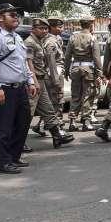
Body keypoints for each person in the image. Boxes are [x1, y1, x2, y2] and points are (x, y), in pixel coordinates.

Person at [0, 4, 37, 173]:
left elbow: (22, 63)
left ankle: (14, 157)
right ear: (0, 17)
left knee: (23, 122)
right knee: (3, 127)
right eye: (12, 14)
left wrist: (30, 81)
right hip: (4, 89)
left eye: (17, 15)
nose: (16, 17)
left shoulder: (17, 37)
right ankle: (4, 162)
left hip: (19, 88)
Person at [24, 18, 75, 148]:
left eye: (46, 28)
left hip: (41, 80)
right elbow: (28, 64)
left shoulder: (40, 42)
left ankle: (57, 136)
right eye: (41, 28)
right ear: (33, 29)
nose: (44, 31)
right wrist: (34, 82)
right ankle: (19, 142)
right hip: (34, 82)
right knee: (28, 113)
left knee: (48, 110)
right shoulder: (30, 43)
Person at [64, 17, 103, 132]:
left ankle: (72, 121)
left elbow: (67, 56)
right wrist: (99, 72)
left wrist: (66, 70)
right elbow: (96, 58)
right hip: (88, 69)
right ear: (91, 25)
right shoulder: (92, 38)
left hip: (75, 67)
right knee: (88, 95)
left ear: (81, 25)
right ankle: (86, 121)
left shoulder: (73, 37)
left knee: (75, 95)